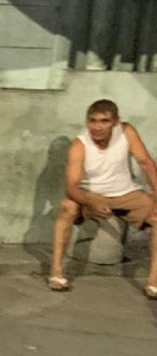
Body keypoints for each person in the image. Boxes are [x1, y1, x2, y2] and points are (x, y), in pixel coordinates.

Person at [49, 99, 157, 297]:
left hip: (126, 193)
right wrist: (91, 201)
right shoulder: (79, 144)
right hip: (90, 194)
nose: (97, 127)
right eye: (93, 121)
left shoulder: (126, 131)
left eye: (104, 121)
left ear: (116, 122)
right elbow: (71, 187)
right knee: (68, 207)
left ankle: (153, 281)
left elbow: (146, 163)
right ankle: (57, 271)